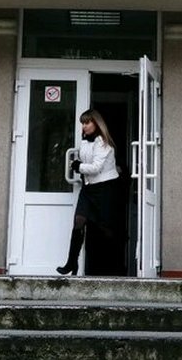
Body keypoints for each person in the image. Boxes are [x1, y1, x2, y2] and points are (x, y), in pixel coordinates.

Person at [56, 109, 126, 276]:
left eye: (87, 122)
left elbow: (95, 168)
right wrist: (79, 165)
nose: (84, 126)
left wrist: (77, 166)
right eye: (83, 123)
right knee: (78, 222)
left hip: (105, 189)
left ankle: (113, 267)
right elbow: (87, 163)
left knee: (106, 229)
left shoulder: (103, 143)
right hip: (89, 188)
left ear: (96, 123)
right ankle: (71, 263)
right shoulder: (85, 142)